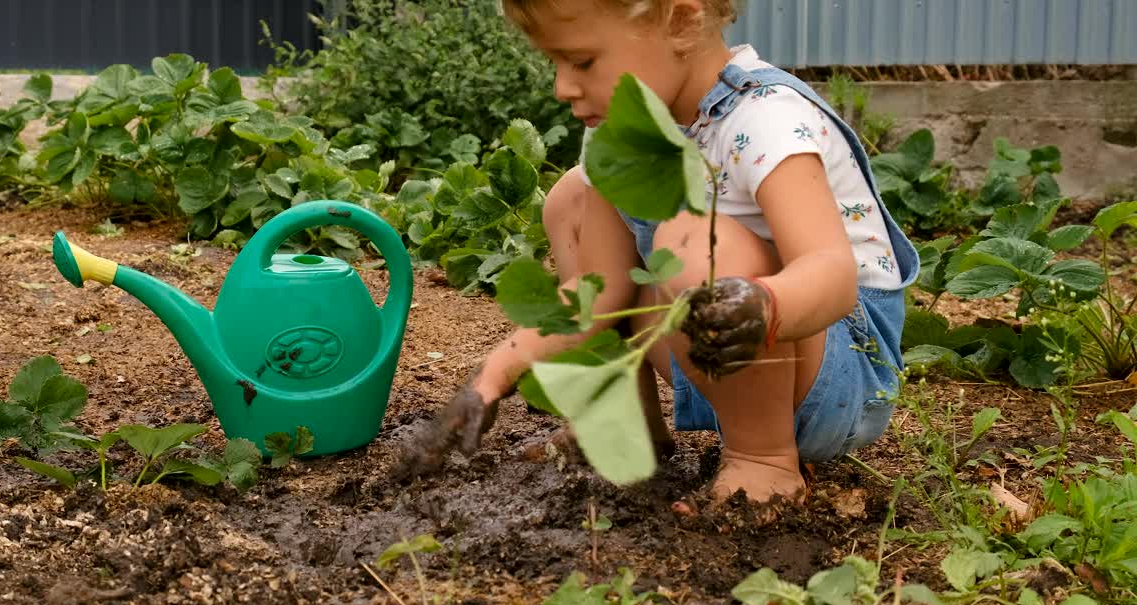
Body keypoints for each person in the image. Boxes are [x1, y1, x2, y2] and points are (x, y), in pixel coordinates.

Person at [392, 0, 918, 518]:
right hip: (721, 357)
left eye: (583, 61)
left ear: (682, 22)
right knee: (573, 199)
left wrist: (762, 304)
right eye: (554, 62)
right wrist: (490, 379)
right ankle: (626, 416)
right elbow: (598, 294)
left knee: (692, 240)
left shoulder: (766, 120)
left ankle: (763, 460)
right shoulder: (618, 131)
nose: (562, 87)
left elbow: (833, 277)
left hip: (837, 369)